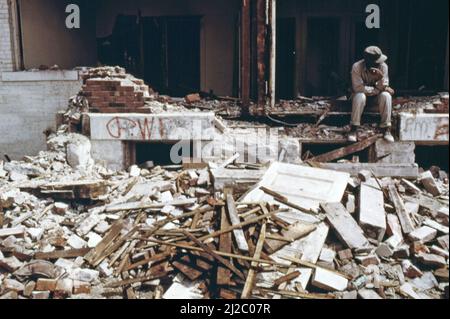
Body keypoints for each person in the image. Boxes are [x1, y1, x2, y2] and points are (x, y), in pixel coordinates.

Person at [349, 46, 395, 143]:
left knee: (386, 95)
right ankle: (354, 128)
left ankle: (386, 128)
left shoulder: (383, 66)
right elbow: (358, 88)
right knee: (359, 96)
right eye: (377, 62)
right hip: (361, 97)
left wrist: (380, 78)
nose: (379, 63)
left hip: (376, 97)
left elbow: (384, 87)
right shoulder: (357, 67)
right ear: (369, 62)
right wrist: (377, 89)